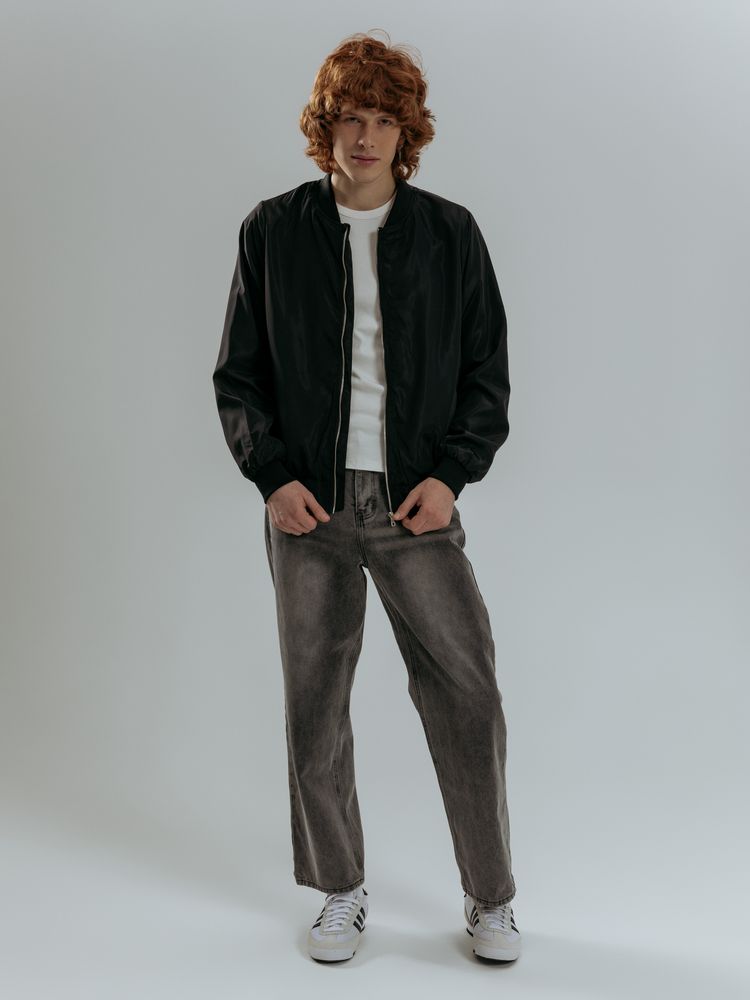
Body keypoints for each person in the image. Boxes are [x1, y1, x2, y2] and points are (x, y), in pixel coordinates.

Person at [212, 31, 520, 964]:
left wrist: (451, 476)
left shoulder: (449, 233)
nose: (365, 136)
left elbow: (487, 377)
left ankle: (491, 899)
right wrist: (272, 476)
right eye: (350, 117)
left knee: (467, 694)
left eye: (384, 120)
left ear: (407, 132)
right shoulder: (273, 229)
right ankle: (340, 890)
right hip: (307, 508)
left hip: (415, 505)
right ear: (326, 127)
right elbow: (238, 374)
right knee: (315, 703)